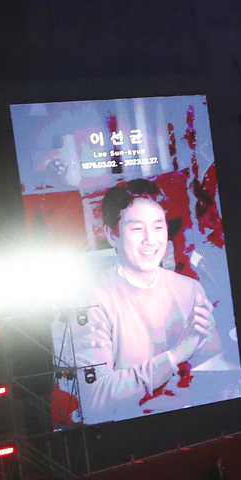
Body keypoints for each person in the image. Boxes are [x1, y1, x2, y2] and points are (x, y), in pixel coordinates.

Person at [83, 178, 224, 420]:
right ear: (112, 235)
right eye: (137, 229)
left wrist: (203, 347)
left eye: (158, 227)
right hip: (129, 432)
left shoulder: (190, 289)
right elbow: (96, 396)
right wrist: (176, 355)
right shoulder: (91, 300)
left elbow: (213, 367)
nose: (150, 240)